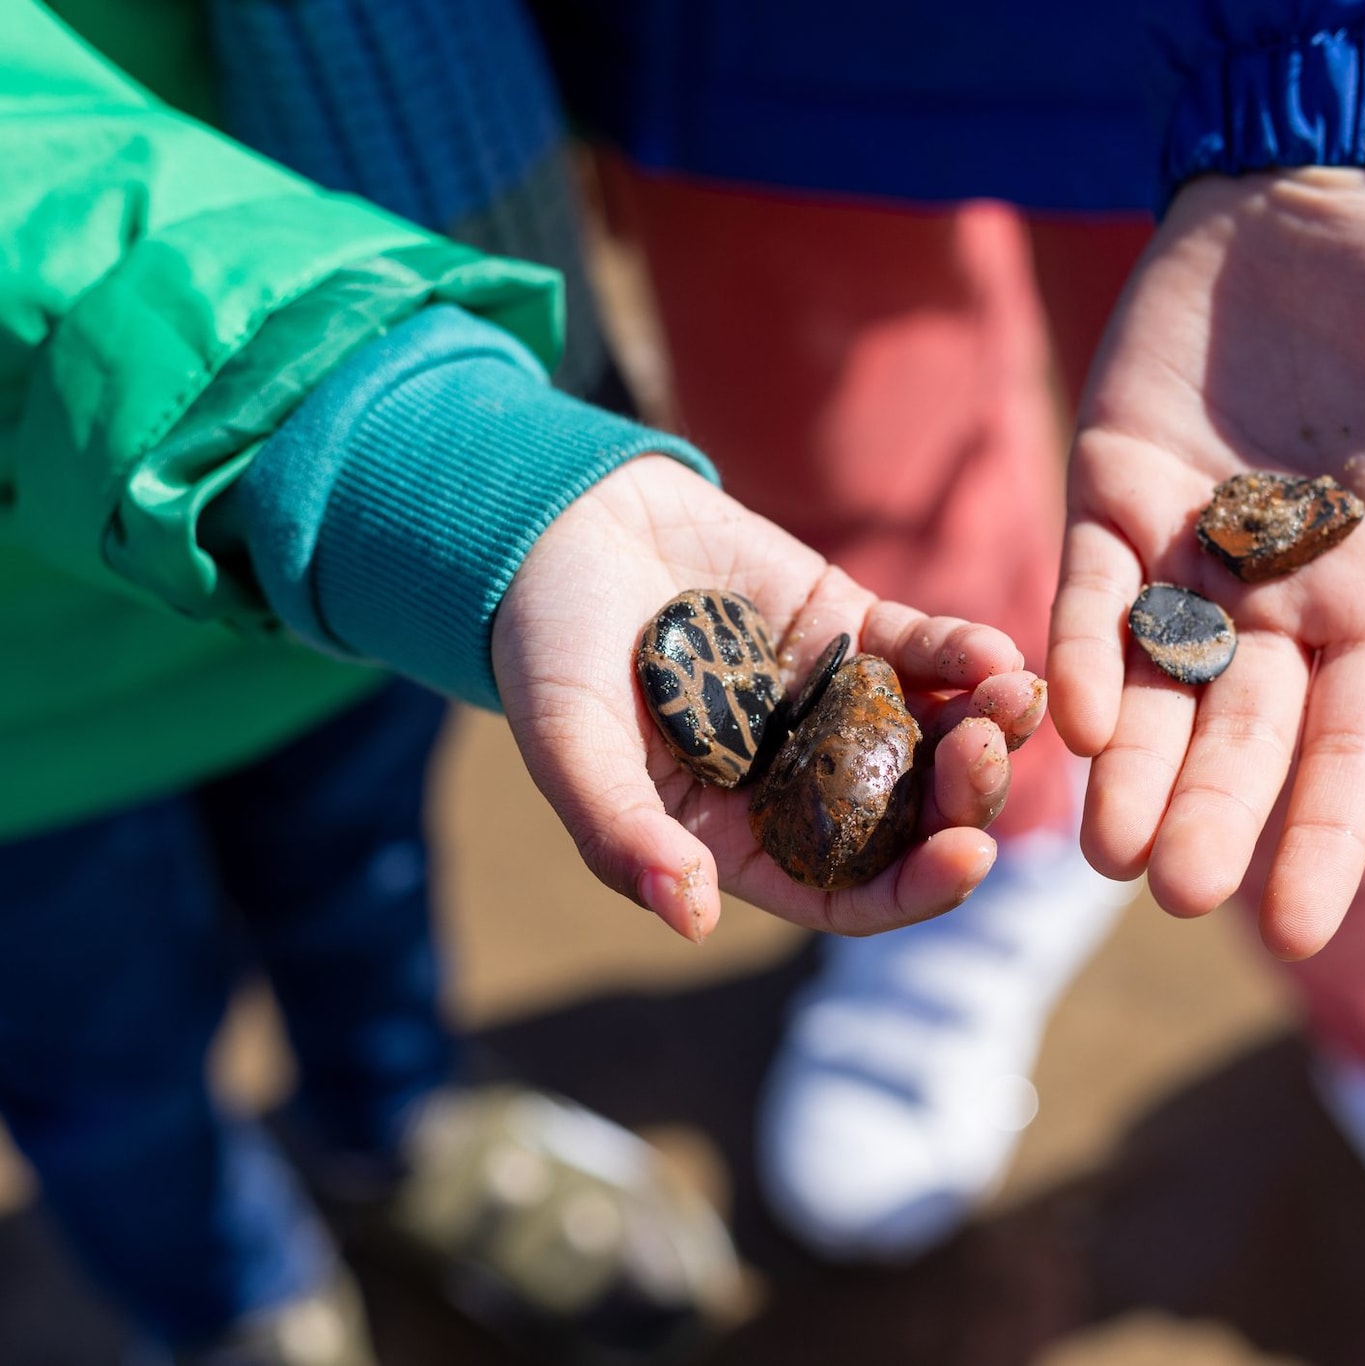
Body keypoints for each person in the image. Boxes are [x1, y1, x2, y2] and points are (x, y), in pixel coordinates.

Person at [544, 1, 1365, 1362]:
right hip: (747, 54)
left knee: (1323, 664)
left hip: (1248, 45)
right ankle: (984, 853)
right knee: (844, 490)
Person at [1, 3, 1044, 1362]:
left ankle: (401, 1128)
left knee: (367, 906)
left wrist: (483, 488)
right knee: (102, 1067)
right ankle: (221, 1298)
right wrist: (416, 443)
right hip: (52, 718)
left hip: (348, 592)